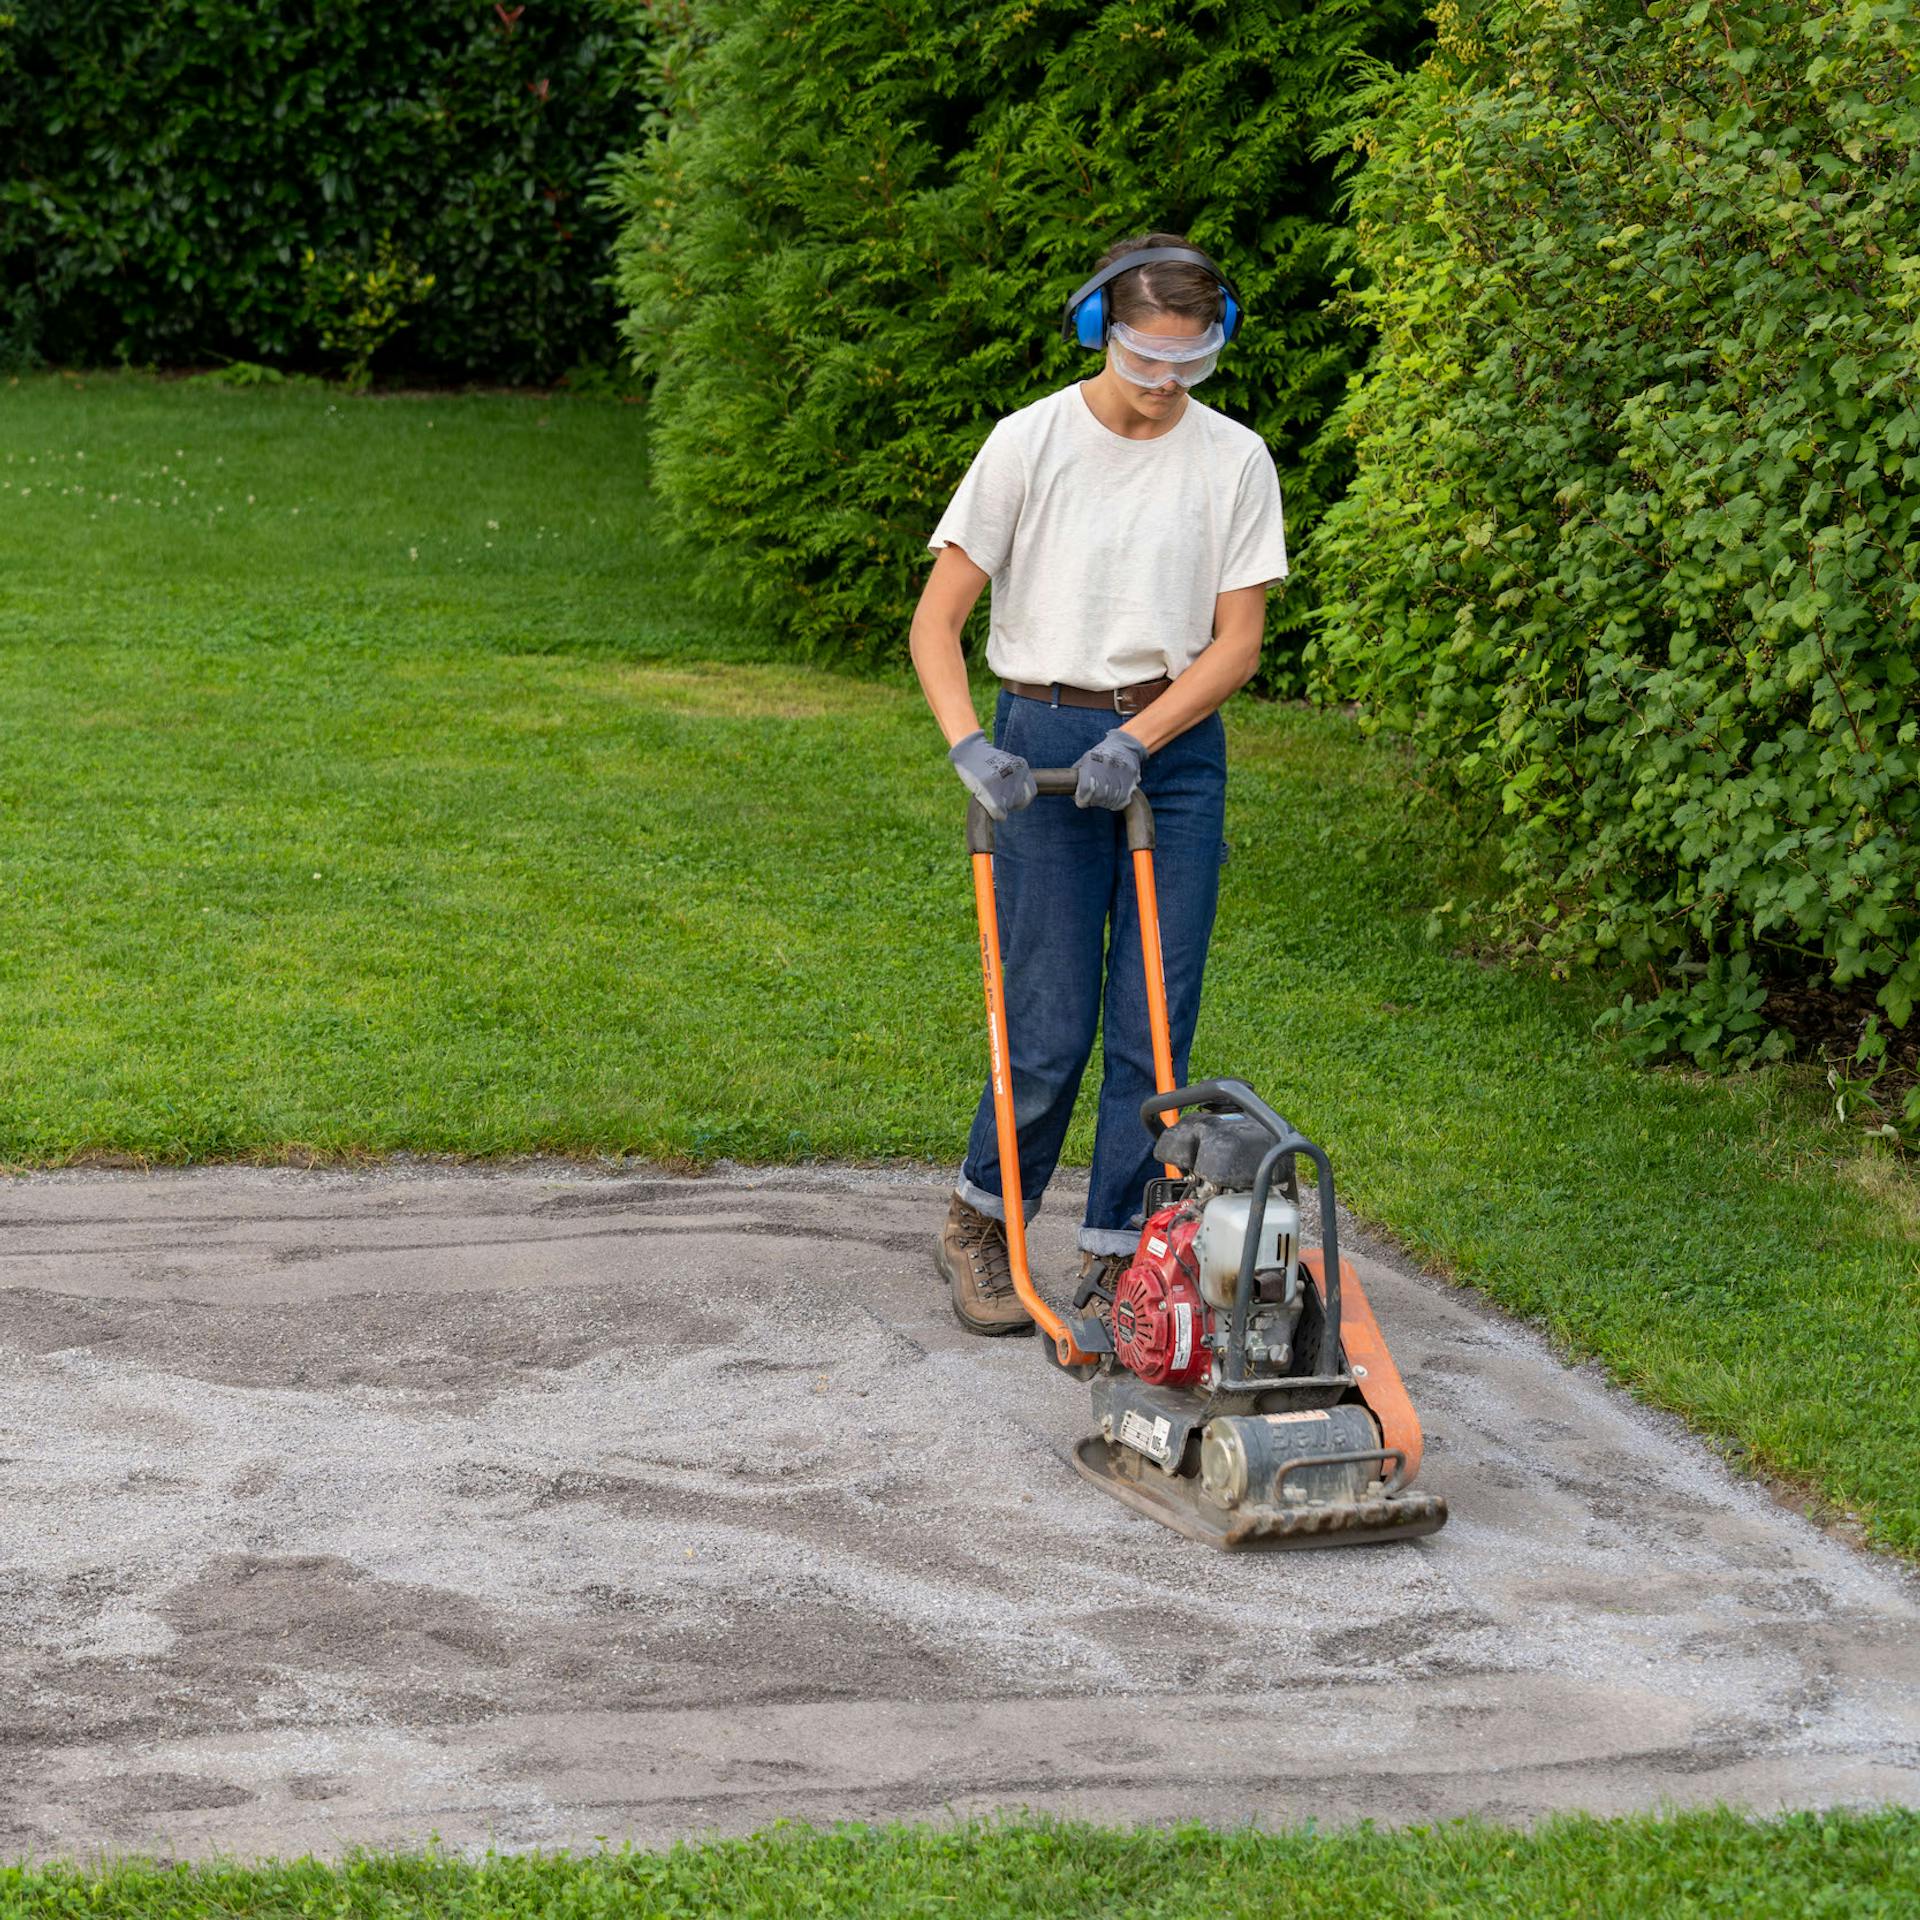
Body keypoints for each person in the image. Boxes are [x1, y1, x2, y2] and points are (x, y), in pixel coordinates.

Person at [909, 231, 1289, 1336]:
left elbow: (1237, 645)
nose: (1166, 388)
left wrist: (1150, 735)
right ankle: (982, 1221)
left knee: (1155, 1025)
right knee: (1049, 1021)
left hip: (1170, 758)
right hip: (1039, 743)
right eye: (1145, 362)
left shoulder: (1234, 460)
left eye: (1191, 365)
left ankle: (1125, 1248)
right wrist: (969, 744)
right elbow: (938, 622)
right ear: (1097, 332)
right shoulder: (1029, 444)